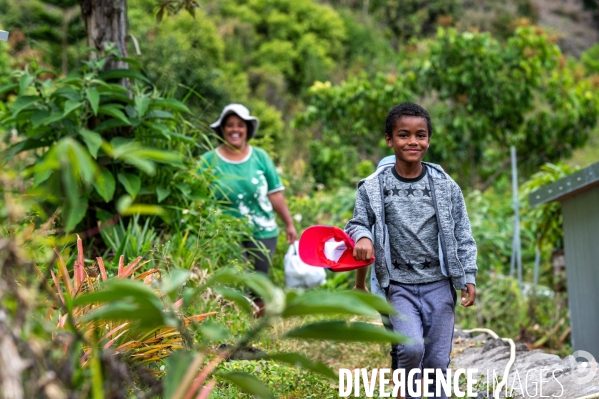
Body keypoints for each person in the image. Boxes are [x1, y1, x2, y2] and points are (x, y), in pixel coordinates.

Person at [345, 102, 477, 399]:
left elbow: (462, 232)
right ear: (389, 140)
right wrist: (363, 236)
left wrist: (468, 273)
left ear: (429, 139)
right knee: (411, 347)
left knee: (437, 360)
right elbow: (356, 223)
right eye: (404, 135)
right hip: (400, 286)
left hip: (439, 284)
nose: (413, 142)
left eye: (421, 135)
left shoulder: (445, 185)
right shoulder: (373, 186)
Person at [199, 104, 297, 316]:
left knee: (257, 284)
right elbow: (197, 198)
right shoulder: (208, 161)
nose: (235, 129)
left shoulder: (260, 157)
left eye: (240, 125)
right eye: (230, 125)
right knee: (230, 281)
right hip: (223, 234)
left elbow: (275, 193)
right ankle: (231, 323)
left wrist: (289, 223)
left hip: (262, 231)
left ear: (247, 129)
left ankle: (257, 330)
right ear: (222, 129)